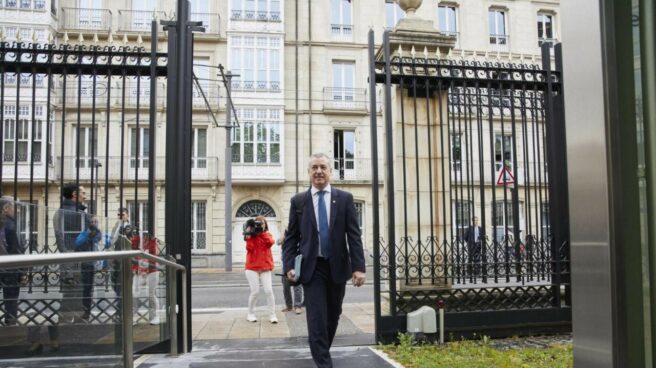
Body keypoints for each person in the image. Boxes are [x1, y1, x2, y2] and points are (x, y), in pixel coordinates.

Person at [283, 153, 366, 368]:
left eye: (323, 167)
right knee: (317, 317)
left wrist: (358, 267)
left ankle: (321, 352)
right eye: (314, 167)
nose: (318, 171)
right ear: (309, 172)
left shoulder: (345, 198)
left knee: (333, 314)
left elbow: (354, 235)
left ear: (330, 171)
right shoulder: (299, 201)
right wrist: (289, 266)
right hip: (313, 267)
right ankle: (324, 363)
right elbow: (291, 237)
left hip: (337, 266)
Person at [244, 215, 277, 324]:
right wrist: (249, 234)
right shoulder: (251, 236)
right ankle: (250, 313)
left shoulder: (267, 235)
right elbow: (250, 248)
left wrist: (261, 232)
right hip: (252, 267)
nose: (259, 225)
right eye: (257, 223)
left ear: (265, 225)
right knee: (255, 292)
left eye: (261, 223)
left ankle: (272, 314)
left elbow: (270, 242)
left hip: (265, 267)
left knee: (269, 291)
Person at [74, 215, 102, 321]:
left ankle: (91, 309)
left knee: (94, 288)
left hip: (96, 264)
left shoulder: (99, 233)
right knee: (87, 288)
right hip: (86, 264)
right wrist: (88, 235)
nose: (94, 223)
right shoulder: (84, 233)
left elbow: (101, 242)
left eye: (95, 221)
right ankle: (86, 311)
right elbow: (77, 243)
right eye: (92, 221)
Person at [131, 230, 160, 325]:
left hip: (151, 271)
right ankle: (133, 316)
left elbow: (154, 256)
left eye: (146, 234)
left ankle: (155, 316)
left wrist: (146, 269)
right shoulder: (136, 241)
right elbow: (133, 257)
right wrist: (136, 268)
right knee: (134, 294)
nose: (144, 236)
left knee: (151, 294)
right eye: (143, 234)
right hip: (139, 271)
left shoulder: (153, 242)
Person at [0, 196, 21, 326]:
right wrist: (22, 269)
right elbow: (14, 249)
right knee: (11, 296)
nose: (15, 210)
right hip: (9, 267)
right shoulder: (10, 225)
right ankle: (11, 323)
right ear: (6, 209)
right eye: (13, 207)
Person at [278, 229, 303, 314]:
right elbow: (278, 242)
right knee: (286, 287)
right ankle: (289, 306)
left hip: (296, 263)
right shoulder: (286, 233)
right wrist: (282, 237)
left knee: (297, 286)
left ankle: (298, 306)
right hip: (285, 263)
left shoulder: (300, 234)